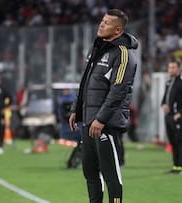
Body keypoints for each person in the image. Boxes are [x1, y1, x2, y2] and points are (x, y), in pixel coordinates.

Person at [69, 9, 138, 203]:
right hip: (89, 122)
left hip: (105, 124)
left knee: (111, 177)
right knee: (90, 175)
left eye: (107, 23)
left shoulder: (123, 54)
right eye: (102, 20)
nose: (101, 24)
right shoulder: (97, 50)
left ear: (118, 30)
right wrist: (76, 109)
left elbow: (118, 91)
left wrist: (100, 119)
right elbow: (86, 83)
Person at [161, 60, 182, 174]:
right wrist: (163, 105)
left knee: (180, 141)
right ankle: (175, 166)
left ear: (178, 69)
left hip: (177, 117)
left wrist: (180, 112)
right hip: (168, 116)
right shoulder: (168, 82)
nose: (171, 69)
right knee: (173, 141)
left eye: (173, 67)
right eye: (169, 67)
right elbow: (165, 97)